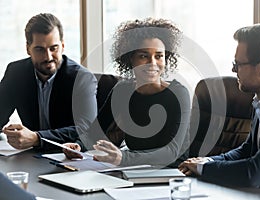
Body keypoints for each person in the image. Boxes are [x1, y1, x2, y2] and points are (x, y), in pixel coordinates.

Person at [179, 23, 260, 197]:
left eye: (238, 64)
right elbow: (248, 149)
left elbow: (253, 173)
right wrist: (208, 161)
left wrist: (203, 168)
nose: (233, 70)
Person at [64, 18, 191, 167]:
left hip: (172, 172)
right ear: (131, 58)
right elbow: (95, 133)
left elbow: (171, 151)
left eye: (159, 56)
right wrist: (78, 146)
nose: (152, 63)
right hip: (134, 168)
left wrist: (123, 158)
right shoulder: (122, 90)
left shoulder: (178, 93)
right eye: (144, 56)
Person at [0, 13, 97, 151]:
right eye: (40, 49)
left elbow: (86, 129)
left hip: (68, 157)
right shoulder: (16, 72)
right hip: (30, 157)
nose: (48, 57)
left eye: (54, 48)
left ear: (62, 46)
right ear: (28, 49)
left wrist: (37, 138)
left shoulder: (81, 78)